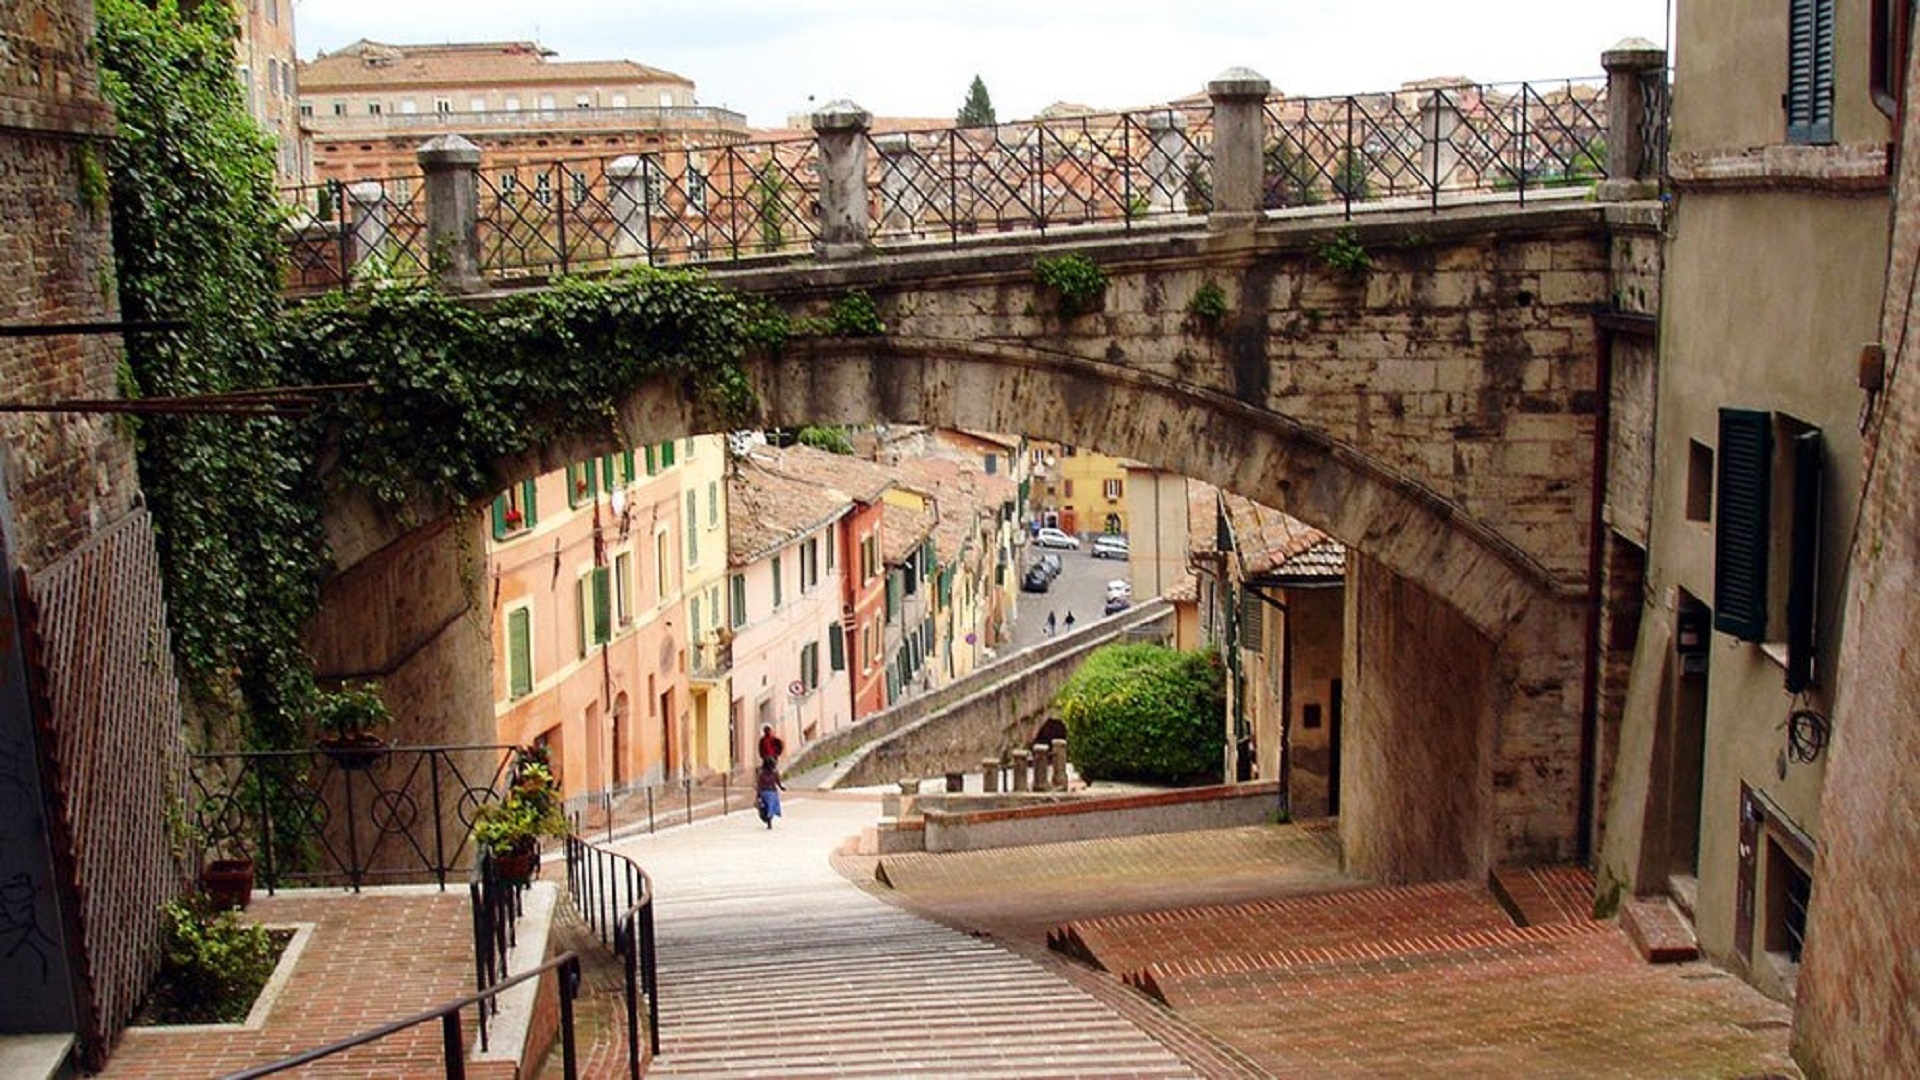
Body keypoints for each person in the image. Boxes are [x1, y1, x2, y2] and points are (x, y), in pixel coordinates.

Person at [755, 756, 784, 828]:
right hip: (772, 792)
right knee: (771, 806)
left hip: (763, 792)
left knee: (765, 807)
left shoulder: (761, 773)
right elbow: (778, 782)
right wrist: (781, 787)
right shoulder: (775, 772)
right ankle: (769, 818)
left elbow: (759, 785)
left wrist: (758, 795)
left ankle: (767, 819)